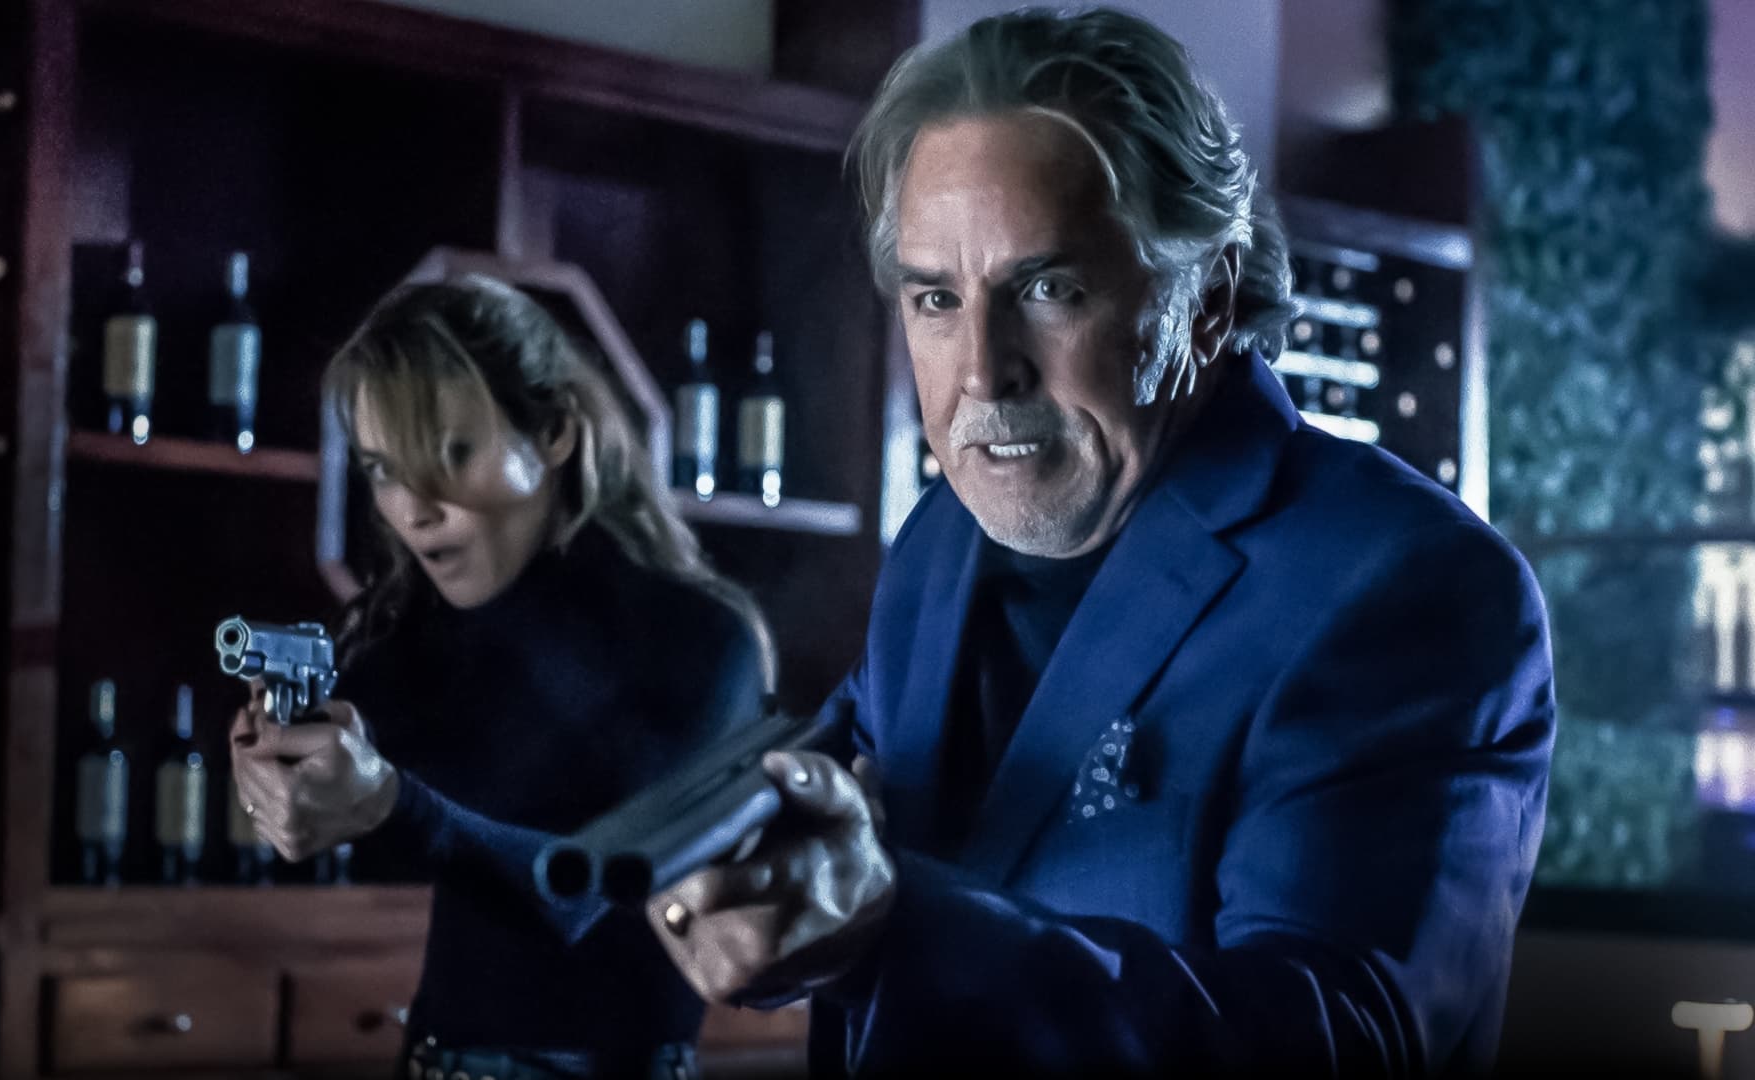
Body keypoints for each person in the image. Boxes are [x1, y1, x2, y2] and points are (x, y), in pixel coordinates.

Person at [641, 8, 1556, 1076]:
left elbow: (1339, 1039)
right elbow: (838, 837)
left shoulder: (1408, 584)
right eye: (936, 298)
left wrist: (893, 932)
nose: (981, 372)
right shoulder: (941, 539)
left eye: (1048, 289)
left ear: (1205, 301)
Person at [228, 276, 772, 1080]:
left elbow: (591, 891)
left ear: (552, 433)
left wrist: (389, 802)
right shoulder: (406, 636)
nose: (414, 508)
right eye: (383, 468)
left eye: (453, 454)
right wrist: (278, 776)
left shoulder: (699, 641)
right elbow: (327, 819)